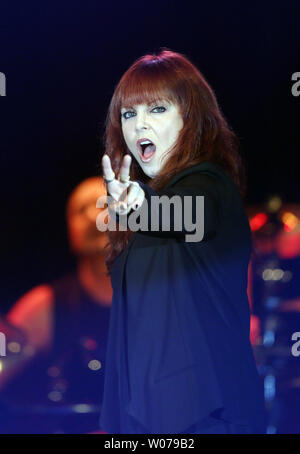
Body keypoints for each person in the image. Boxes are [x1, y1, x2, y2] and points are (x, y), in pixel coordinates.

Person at [99, 49, 266, 434]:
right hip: (145, 422)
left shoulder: (210, 184)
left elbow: (186, 214)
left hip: (207, 418)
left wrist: (139, 203)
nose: (139, 125)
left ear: (190, 117)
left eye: (156, 109)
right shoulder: (140, 217)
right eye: (129, 114)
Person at [0, 177, 112, 433]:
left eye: (106, 204)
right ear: (70, 231)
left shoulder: (167, 305)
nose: (93, 215)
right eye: (80, 210)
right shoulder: (44, 306)